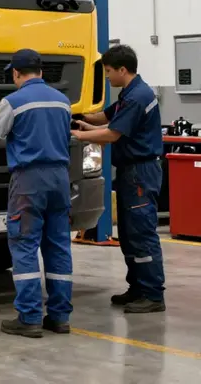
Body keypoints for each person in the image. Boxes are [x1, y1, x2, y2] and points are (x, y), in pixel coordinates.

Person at [0, 49, 73, 339]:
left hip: (29, 180)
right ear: (41, 72)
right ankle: (59, 317)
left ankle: (29, 318)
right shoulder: (63, 101)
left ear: (16, 73)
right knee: (58, 246)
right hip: (60, 178)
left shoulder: (12, 101)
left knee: (24, 244)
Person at [72, 44, 166, 314]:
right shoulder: (130, 93)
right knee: (127, 232)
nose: (108, 77)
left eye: (110, 72)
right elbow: (106, 119)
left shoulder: (138, 97)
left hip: (140, 172)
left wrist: (80, 136)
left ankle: (152, 294)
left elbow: (112, 135)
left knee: (141, 232)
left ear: (123, 70)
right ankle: (137, 287)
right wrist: (79, 117)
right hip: (129, 172)